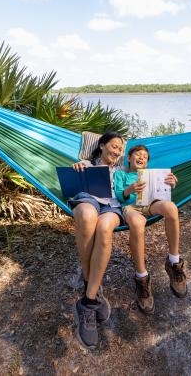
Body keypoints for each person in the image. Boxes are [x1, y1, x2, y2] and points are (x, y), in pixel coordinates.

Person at [68, 132, 125, 349]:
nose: (117, 151)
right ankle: (90, 281)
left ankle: (89, 299)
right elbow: (73, 180)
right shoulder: (86, 164)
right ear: (101, 146)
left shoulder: (122, 171)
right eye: (114, 146)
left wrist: (168, 180)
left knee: (104, 227)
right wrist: (76, 169)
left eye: (120, 149)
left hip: (112, 206)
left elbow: (143, 179)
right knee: (87, 215)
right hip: (89, 200)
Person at [113, 144, 186, 315]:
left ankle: (174, 262)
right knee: (138, 224)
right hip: (130, 207)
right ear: (129, 158)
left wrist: (170, 183)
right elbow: (118, 195)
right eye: (138, 154)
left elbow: (162, 191)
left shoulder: (152, 175)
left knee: (171, 208)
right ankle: (141, 277)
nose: (141, 158)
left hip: (150, 203)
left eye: (145, 157)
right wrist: (129, 190)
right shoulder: (121, 174)